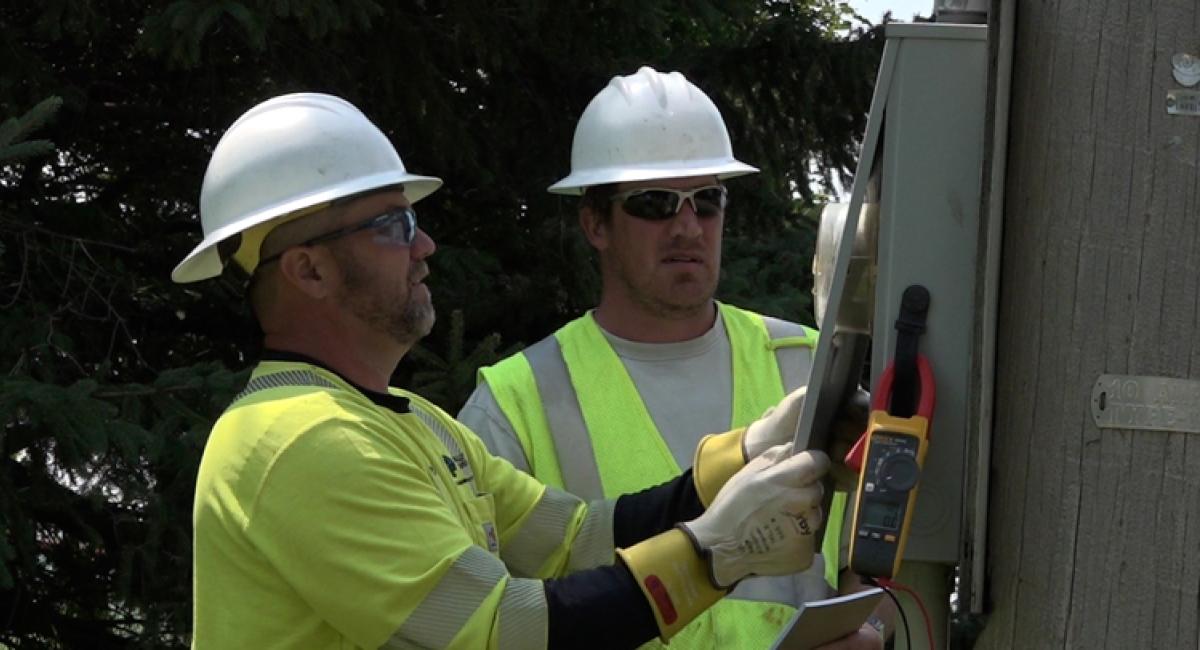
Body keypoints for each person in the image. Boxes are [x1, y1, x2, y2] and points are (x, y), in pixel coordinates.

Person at [176, 92, 833, 650]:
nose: (425, 245)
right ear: (309, 270)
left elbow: (578, 538)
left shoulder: (410, 420)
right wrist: (714, 555)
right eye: (393, 225)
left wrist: (744, 454)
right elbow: (502, 632)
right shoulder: (306, 440)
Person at [459, 67, 893, 649]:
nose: (687, 226)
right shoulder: (515, 401)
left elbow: (879, 557)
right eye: (655, 203)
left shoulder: (809, 364)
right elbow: (479, 619)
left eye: (707, 201)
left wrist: (871, 630)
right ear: (595, 223)